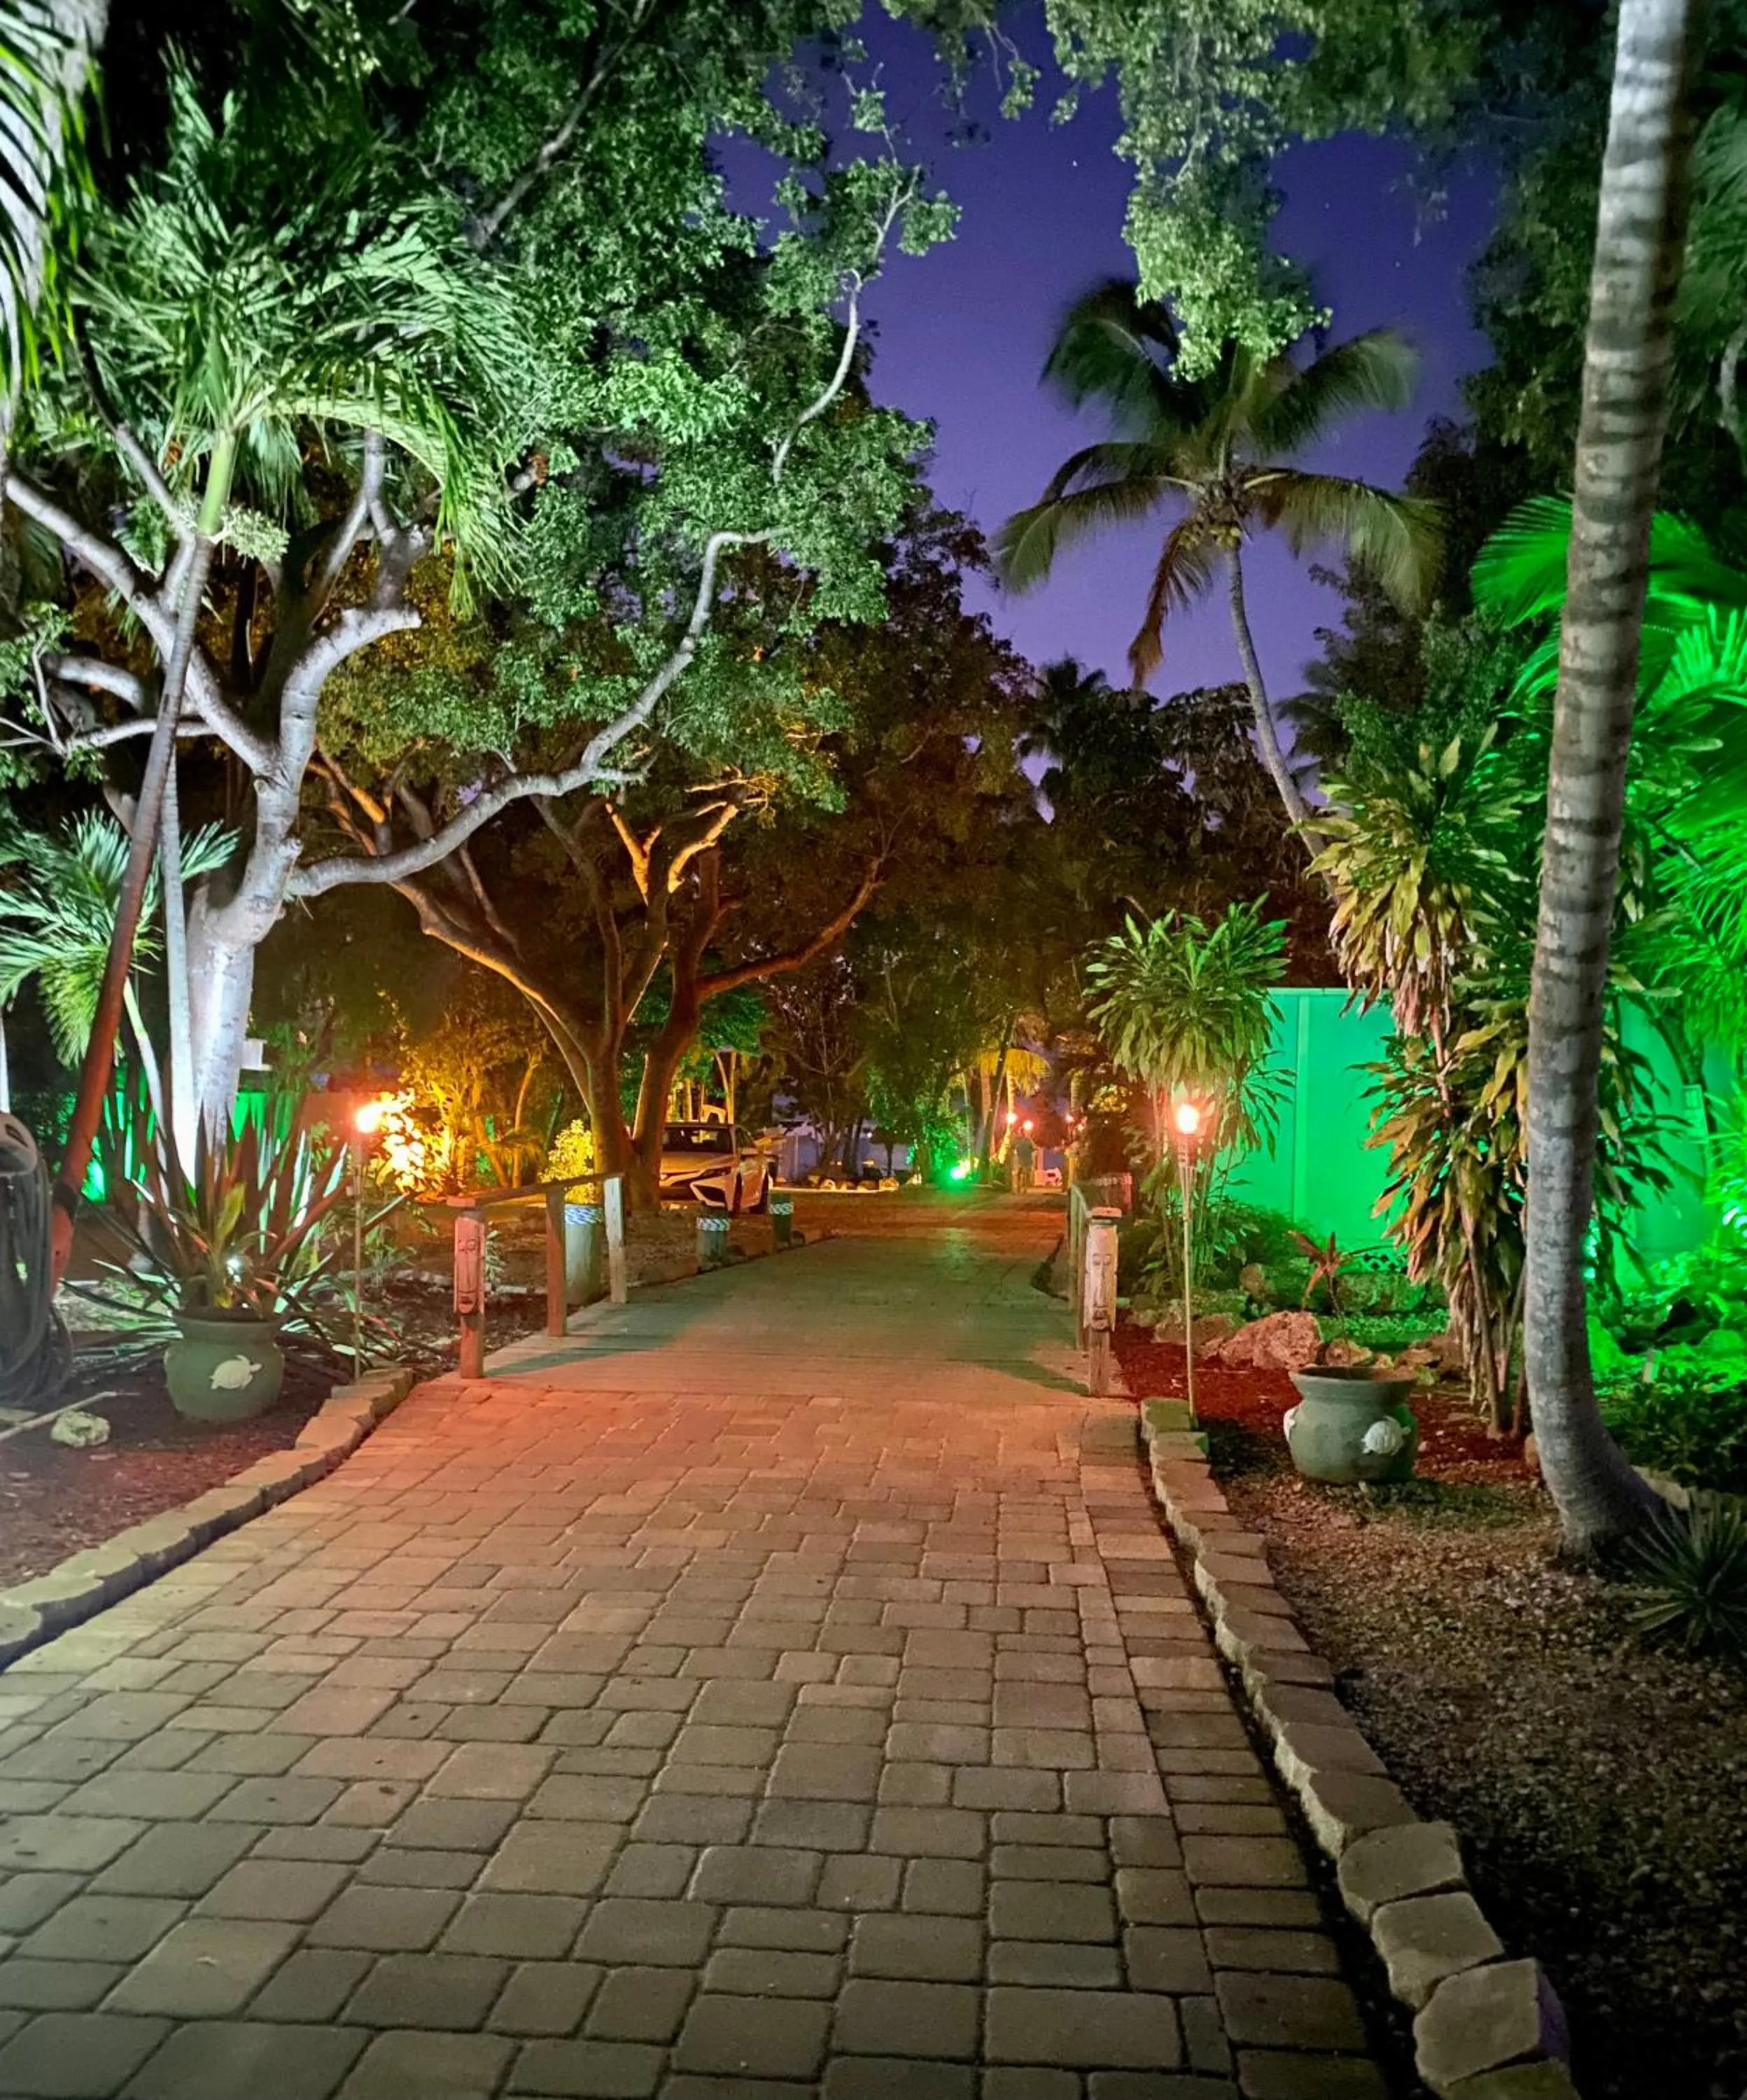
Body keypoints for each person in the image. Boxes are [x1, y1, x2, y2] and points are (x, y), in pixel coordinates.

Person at [1011, 1129, 1036, 1194]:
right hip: (1024, 1159)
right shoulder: (1026, 1140)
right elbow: (1033, 1148)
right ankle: (1022, 1188)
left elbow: (1012, 1147)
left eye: (1019, 1132)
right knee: (1022, 1174)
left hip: (1024, 1159)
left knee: (1022, 1174)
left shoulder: (1020, 1140)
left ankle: (1023, 1188)